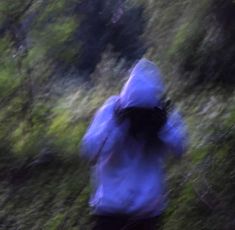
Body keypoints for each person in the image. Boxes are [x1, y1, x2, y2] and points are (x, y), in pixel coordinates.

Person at [81, 58, 188, 230]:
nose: (140, 120)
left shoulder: (163, 116)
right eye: (136, 114)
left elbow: (180, 149)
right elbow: (89, 151)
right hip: (110, 214)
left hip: (147, 216)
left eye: (144, 114)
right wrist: (117, 125)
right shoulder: (110, 111)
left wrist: (163, 127)